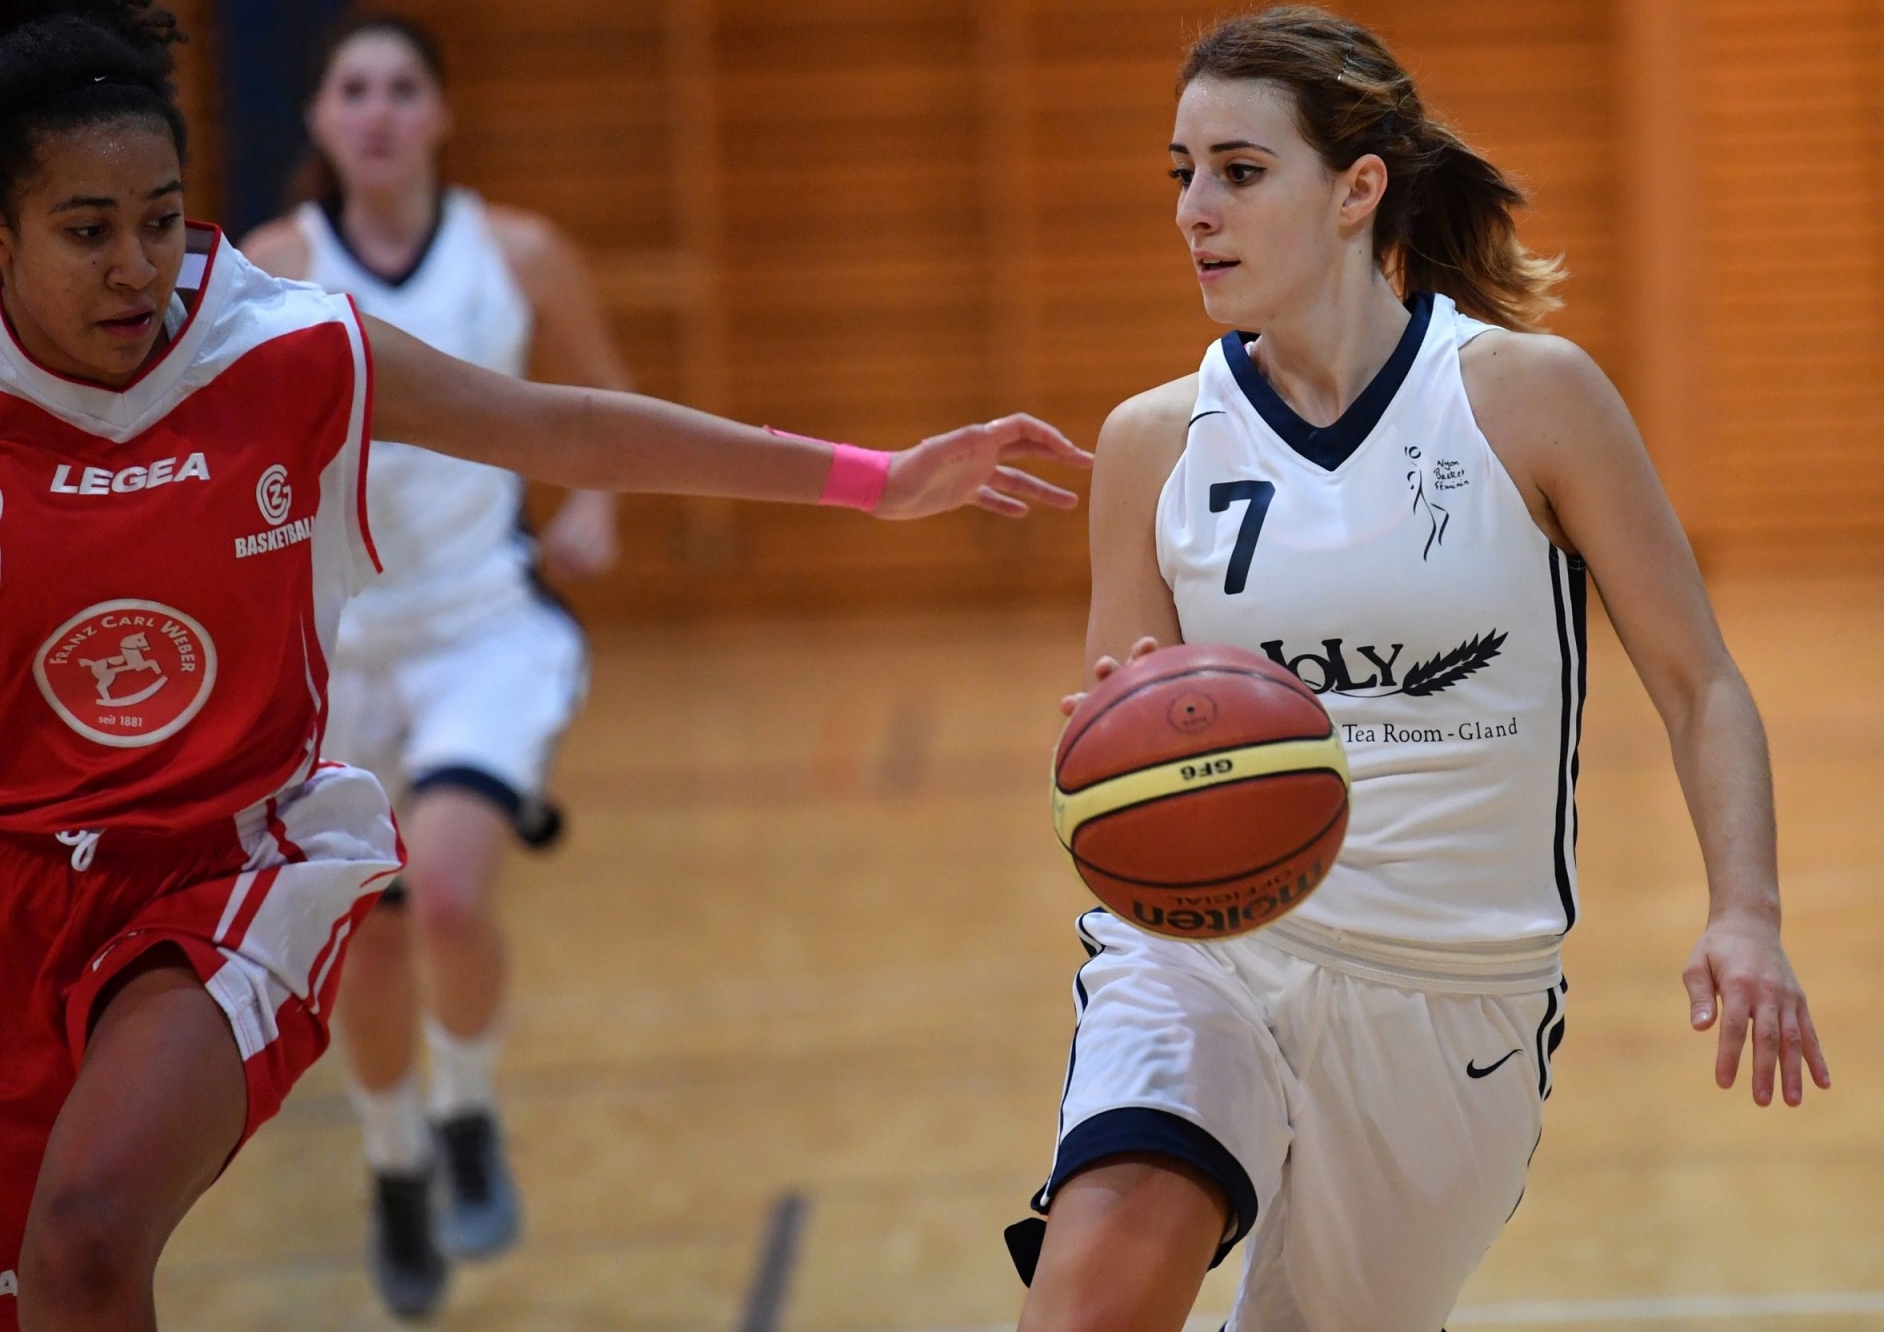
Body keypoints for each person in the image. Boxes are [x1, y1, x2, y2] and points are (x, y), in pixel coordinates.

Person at [0, 4, 1088, 1330]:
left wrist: (875, 480)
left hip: (222, 866)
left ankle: (447, 1125)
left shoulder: (281, 338)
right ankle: (408, 1148)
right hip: (31, 862)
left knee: (88, 1241)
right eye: (86, 231)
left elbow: (558, 423)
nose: (135, 266)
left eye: (160, 219)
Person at [1007, 10, 1831, 1332]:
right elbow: (1122, 746)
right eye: (1182, 173)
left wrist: (1748, 913)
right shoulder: (1154, 445)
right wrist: (1107, 754)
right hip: (1212, 951)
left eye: (1239, 170)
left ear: (1359, 190)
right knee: (1101, 1278)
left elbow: (1701, 684)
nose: (1196, 211)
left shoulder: (1529, 398)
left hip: (1456, 994)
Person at [239, 16, 631, 1312]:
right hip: (338, 651)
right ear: (320, 120)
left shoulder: (515, 250)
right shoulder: (272, 268)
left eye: (403, 88)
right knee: (370, 936)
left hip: (481, 631)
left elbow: (601, 406)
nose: (379, 111)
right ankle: (396, 1159)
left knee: (450, 892)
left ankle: (464, 1117)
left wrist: (595, 507)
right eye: (353, 88)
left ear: (441, 113)